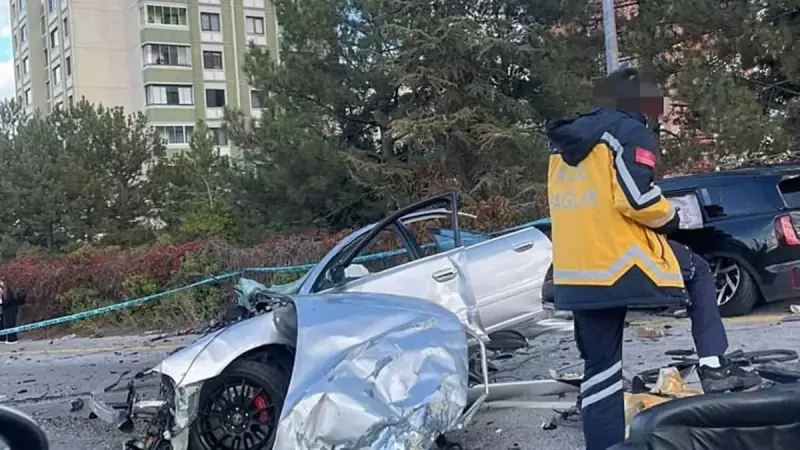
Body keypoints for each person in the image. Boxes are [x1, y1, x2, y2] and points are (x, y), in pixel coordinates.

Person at [545, 67, 762, 450]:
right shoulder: (628, 132)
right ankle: (714, 367)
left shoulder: (565, 145)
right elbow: (635, 198)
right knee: (697, 271)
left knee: (601, 369)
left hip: (577, 271)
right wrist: (672, 217)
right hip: (624, 261)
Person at [0, 278, 24, 344]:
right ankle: (4, 338)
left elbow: (8, 301)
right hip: (7, 309)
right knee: (5, 323)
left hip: (11, 309)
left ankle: (12, 339)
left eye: (1, 282)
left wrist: (1, 301)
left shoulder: (8, 291)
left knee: (10, 324)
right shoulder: (4, 291)